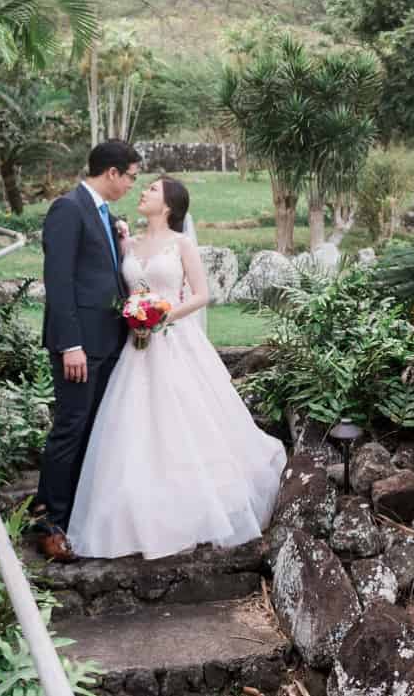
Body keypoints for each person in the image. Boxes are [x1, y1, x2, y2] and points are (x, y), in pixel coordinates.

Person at [66, 175, 287, 560]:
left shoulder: (182, 244)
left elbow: (202, 295)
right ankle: (134, 510)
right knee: (134, 424)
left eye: (151, 189)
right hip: (137, 348)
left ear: (168, 204)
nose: (144, 192)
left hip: (174, 339)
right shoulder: (129, 244)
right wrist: (137, 312)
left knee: (187, 417)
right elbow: (127, 286)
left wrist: (162, 315)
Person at [29, 140, 141, 563]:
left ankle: (69, 512)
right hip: (79, 347)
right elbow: (59, 284)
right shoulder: (69, 209)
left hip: (109, 341)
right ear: (111, 172)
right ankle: (49, 523)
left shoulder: (105, 216)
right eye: (131, 175)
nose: (132, 184)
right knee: (71, 427)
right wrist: (70, 344)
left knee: (94, 429)